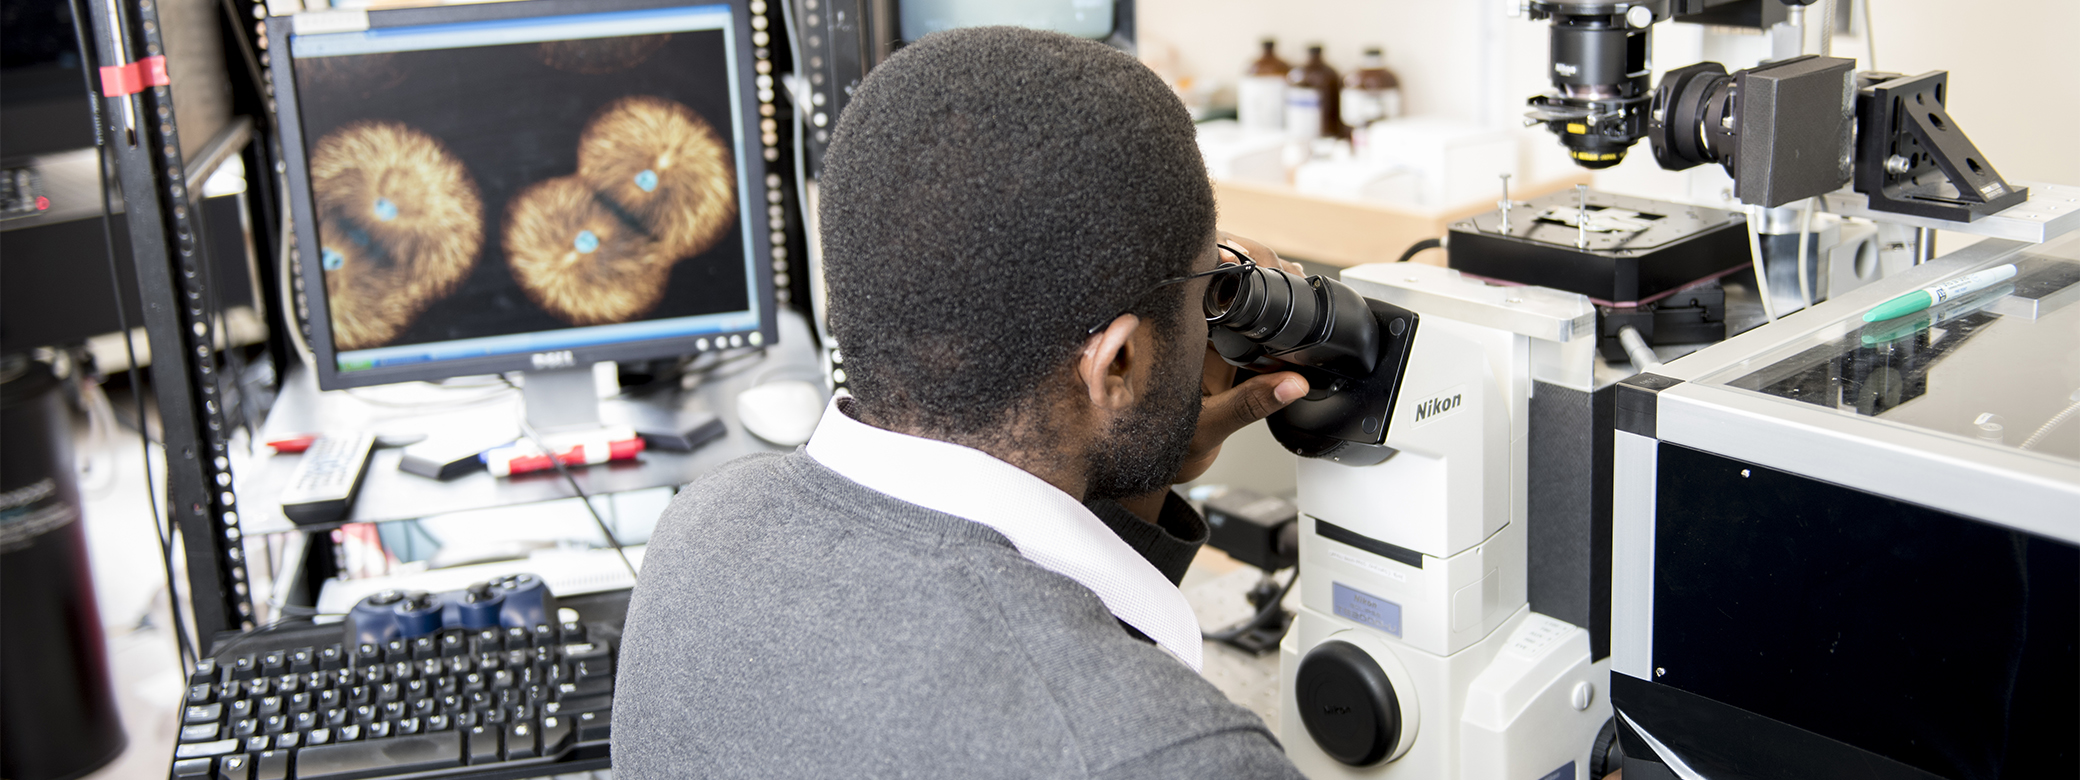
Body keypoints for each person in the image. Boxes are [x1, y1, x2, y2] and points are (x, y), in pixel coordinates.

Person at [616, 26, 1315, 778]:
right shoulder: (1179, 756)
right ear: (1116, 362)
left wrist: (1134, 453)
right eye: (1206, 288)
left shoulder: (700, 527)